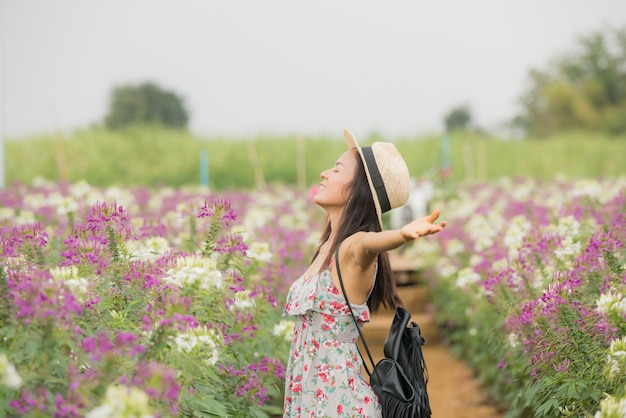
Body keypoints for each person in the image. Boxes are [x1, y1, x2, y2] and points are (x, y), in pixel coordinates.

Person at [282, 129, 447, 417]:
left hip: (336, 404)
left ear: (356, 189)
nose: (324, 174)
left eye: (336, 169)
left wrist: (402, 234)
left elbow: (370, 243)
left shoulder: (352, 247)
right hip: (311, 398)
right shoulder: (326, 247)